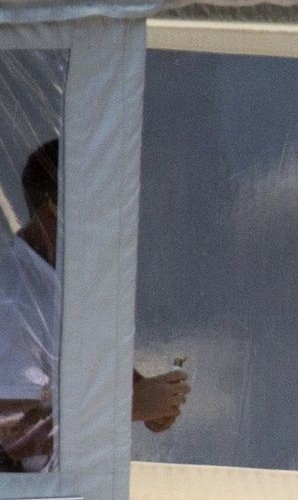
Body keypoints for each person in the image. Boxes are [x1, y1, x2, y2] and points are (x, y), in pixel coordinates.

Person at [0, 139, 190, 470]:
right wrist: (127, 408)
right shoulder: (14, 298)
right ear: (53, 210)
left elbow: (97, 373)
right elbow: (12, 434)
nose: (111, 226)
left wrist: (153, 400)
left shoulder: (64, 279)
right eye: (100, 209)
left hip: (82, 493)